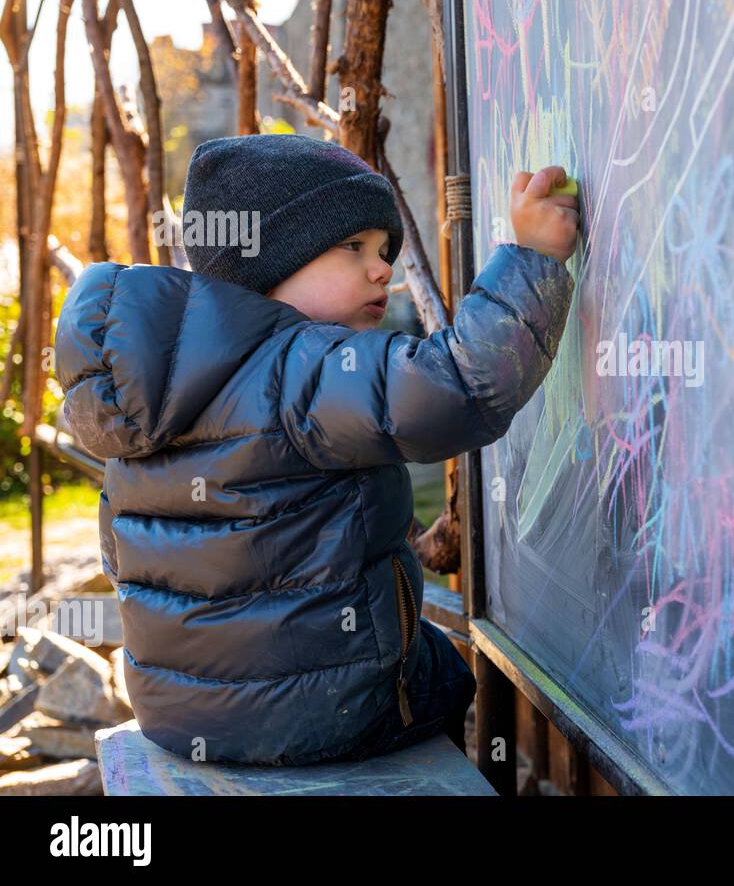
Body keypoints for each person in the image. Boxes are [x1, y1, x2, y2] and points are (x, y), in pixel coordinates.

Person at [53, 134, 578, 765]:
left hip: (174, 711)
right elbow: (461, 385)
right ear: (267, 266)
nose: (382, 268)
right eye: (352, 247)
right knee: (448, 673)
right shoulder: (308, 364)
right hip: (327, 715)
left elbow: (124, 551)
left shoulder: (147, 391)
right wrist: (530, 257)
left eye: (385, 250)